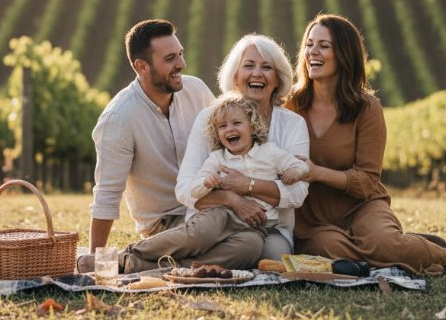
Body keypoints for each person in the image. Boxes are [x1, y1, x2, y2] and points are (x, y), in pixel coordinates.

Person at [285, 14, 446, 276]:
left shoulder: (367, 108)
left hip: (361, 206)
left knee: (383, 243)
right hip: (314, 219)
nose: (313, 52)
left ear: (344, 54)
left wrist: (318, 173)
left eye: (324, 46)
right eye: (309, 44)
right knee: (328, 248)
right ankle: (405, 249)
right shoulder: (290, 106)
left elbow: (367, 180)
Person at [79, 19, 214, 273]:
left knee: (250, 244)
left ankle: (139, 263)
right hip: (165, 224)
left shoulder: (197, 91)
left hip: (209, 206)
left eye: (181, 54)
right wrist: (95, 258)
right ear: (142, 66)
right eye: (170, 58)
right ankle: (132, 256)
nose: (181, 64)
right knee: (215, 232)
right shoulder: (119, 118)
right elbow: (107, 193)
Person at [119, 94, 309, 267]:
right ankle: (132, 252)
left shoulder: (270, 152)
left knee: (250, 249)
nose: (230, 129)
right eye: (222, 126)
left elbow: (302, 166)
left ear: (252, 126)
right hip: (221, 215)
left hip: (256, 228)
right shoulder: (217, 158)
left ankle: (148, 266)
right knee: (199, 234)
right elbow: (192, 189)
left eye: (236, 123)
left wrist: (295, 171)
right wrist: (206, 183)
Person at [177, 34, 310, 262]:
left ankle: (177, 264)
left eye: (266, 67)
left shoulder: (293, 124)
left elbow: (298, 193)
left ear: (277, 79)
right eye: (249, 65)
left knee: (273, 256)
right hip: (215, 220)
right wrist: (233, 199)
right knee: (225, 242)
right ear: (236, 76)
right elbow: (184, 190)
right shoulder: (209, 118)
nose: (257, 73)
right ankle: (152, 258)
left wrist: (247, 185)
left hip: (269, 226)